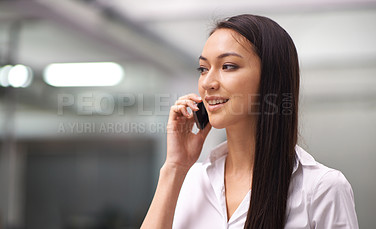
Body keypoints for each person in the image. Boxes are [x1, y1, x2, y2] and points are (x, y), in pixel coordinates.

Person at [141, 14, 359, 229]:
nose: (207, 82)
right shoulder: (193, 180)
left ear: (270, 78)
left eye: (228, 66)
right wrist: (174, 167)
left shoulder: (322, 189)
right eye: (203, 69)